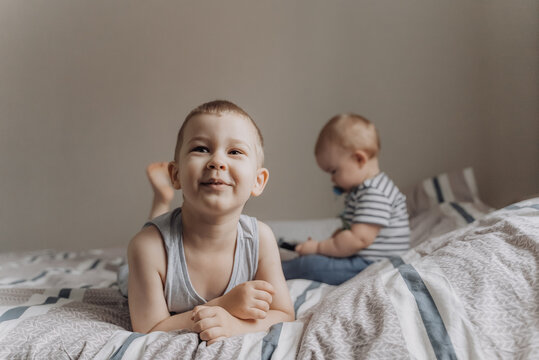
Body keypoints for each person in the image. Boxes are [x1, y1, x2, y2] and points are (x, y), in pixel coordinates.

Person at [119, 100, 294, 345]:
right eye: (201, 149)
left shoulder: (260, 239)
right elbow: (150, 328)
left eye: (235, 152)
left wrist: (234, 324)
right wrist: (223, 306)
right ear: (176, 174)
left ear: (258, 181)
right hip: (145, 266)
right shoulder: (146, 248)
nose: (217, 161)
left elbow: (285, 313)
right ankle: (161, 199)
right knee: (128, 272)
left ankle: (162, 198)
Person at [281, 113, 410, 285]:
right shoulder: (364, 189)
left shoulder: (374, 193)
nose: (332, 179)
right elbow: (354, 231)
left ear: (359, 159)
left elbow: (358, 240)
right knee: (314, 257)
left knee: (310, 265)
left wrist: (319, 247)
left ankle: (274, 270)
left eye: (334, 171)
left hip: (373, 266)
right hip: (364, 260)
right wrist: (333, 242)